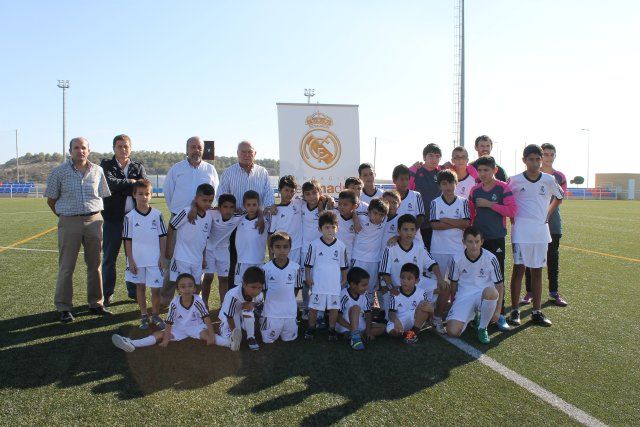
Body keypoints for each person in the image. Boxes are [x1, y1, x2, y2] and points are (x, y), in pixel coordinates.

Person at [45, 137, 112, 323]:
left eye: (83, 148)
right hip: (69, 222)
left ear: (88, 150)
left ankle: (96, 304)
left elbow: (103, 195)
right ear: (70, 150)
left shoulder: (98, 171)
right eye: (76, 148)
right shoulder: (59, 172)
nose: (80, 151)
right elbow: (51, 200)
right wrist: (65, 217)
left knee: (95, 265)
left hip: (94, 220)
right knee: (67, 266)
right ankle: (64, 307)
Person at [507, 144, 564, 327]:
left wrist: (547, 214)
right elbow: (506, 200)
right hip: (521, 233)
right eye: (530, 159)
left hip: (540, 233)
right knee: (518, 271)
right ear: (524, 160)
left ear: (541, 160)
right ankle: (515, 311)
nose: (534, 163)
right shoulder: (514, 180)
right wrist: (512, 217)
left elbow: (559, 197)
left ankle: (536, 312)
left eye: (538, 159)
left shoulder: (548, 179)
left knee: (537, 271)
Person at [161, 137, 219, 301]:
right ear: (187, 149)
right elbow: (168, 192)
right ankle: (166, 300)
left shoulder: (210, 170)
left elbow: (214, 194)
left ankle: (194, 298)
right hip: (179, 220)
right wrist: (183, 210)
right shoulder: (176, 169)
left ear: (203, 149)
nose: (196, 150)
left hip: (201, 220)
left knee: (197, 260)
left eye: (199, 147)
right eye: (192, 147)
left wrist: (198, 208)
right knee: (173, 260)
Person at [468, 155, 517, 331]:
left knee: (497, 276)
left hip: (496, 237)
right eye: (480, 170)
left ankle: (500, 313)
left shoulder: (503, 188)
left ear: (495, 170)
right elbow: (471, 214)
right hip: (478, 241)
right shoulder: (474, 190)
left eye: (486, 170)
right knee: (477, 275)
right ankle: (479, 313)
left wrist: (490, 204)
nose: (482, 173)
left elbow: (512, 210)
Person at [217, 141, 275, 288]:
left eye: (250, 152)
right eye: (243, 152)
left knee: (257, 258)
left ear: (255, 154)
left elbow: (268, 199)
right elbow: (221, 197)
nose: (246, 154)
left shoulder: (262, 172)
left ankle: (256, 297)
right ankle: (234, 295)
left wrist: (261, 216)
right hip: (236, 224)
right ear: (237, 153)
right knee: (234, 260)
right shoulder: (229, 172)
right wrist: (233, 210)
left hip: (258, 223)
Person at [111, 273, 215, 352]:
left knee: (208, 336)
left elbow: (206, 318)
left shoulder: (198, 300)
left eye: (190, 286)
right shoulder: (175, 302)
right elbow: (169, 322)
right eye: (183, 286)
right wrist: (166, 339)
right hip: (179, 328)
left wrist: (212, 335)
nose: (187, 289)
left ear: (195, 288)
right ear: (178, 290)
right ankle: (131, 343)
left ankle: (229, 342)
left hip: (196, 327)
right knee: (160, 334)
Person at [100, 134, 148, 304]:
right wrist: (131, 183)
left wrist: (126, 186)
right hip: (113, 219)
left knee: (133, 257)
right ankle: (106, 294)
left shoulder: (137, 166)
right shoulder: (106, 165)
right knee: (109, 258)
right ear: (114, 148)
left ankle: (133, 291)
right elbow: (110, 184)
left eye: (126, 146)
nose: (123, 149)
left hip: (133, 220)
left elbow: (142, 186)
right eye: (119, 146)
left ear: (131, 148)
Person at [379, 214, 447, 331]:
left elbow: (433, 264)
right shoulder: (390, 248)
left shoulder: (419, 246)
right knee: (392, 327)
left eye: (412, 230)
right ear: (399, 231)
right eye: (405, 229)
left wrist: (440, 279)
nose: (409, 233)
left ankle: (436, 318)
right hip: (399, 288)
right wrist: (391, 287)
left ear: (416, 232)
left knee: (445, 287)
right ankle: (417, 319)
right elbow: (384, 272)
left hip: (418, 285)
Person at [522, 143, 568, 307]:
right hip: (532, 225)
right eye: (546, 154)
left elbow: (560, 198)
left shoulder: (559, 177)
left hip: (552, 222)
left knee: (552, 257)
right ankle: (529, 291)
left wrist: (546, 215)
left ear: (554, 156)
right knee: (529, 257)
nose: (548, 157)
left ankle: (553, 292)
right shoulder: (530, 175)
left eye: (551, 154)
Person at [123, 179, 168, 330]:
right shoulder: (129, 217)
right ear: (134, 195)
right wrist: (131, 261)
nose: (143, 197)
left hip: (155, 260)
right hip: (137, 260)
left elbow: (163, 237)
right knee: (140, 288)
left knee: (155, 290)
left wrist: (162, 257)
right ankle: (143, 315)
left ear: (151, 195)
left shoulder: (157, 215)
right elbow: (127, 240)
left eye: (146, 194)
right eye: (140, 194)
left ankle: (155, 315)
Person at [446, 227, 503, 344]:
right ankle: (474, 316)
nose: (474, 245)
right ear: (464, 242)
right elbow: (453, 283)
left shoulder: (491, 258)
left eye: (477, 241)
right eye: (470, 242)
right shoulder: (457, 259)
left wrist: (498, 310)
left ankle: (482, 327)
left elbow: (499, 285)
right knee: (452, 332)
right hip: (464, 296)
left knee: (491, 292)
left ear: (482, 241)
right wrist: (453, 303)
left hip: (483, 295)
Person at [163, 183, 215, 304]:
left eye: (210, 201)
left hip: (197, 259)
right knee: (183, 288)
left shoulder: (209, 217)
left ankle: (194, 311)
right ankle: (180, 311)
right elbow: (171, 227)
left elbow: (204, 239)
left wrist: (203, 257)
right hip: (182, 258)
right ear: (196, 198)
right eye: (204, 200)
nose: (207, 203)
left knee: (197, 287)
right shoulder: (187, 212)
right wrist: (168, 249)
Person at [304, 211, 349, 340]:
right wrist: (308, 277)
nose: (330, 230)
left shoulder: (341, 246)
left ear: (337, 228)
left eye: (333, 227)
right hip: (318, 283)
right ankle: (311, 328)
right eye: (326, 227)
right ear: (320, 229)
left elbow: (344, 266)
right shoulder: (314, 244)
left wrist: (344, 279)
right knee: (313, 308)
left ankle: (332, 329)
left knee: (334, 309)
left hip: (334, 284)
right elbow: (308, 264)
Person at [201, 194, 243, 308]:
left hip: (224, 251)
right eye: (225, 207)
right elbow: (198, 207)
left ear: (235, 208)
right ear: (219, 207)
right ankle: (204, 303)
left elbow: (253, 211)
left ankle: (223, 306)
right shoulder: (211, 213)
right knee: (208, 277)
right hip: (209, 250)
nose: (228, 210)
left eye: (231, 207)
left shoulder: (238, 216)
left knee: (223, 279)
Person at [261, 232, 302, 344]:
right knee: (268, 340)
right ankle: (264, 320)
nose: (282, 250)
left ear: (290, 248)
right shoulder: (266, 269)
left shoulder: (296, 268)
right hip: (272, 314)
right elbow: (264, 291)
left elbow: (296, 289)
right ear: (271, 249)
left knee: (289, 339)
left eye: (285, 247)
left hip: (290, 313)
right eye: (278, 247)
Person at [429, 170, 471, 275]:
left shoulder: (463, 202)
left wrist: (446, 220)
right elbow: (435, 225)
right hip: (438, 249)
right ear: (439, 186)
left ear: (456, 184)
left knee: (457, 281)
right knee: (438, 283)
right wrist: (458, 223)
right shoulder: (435, 202)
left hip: (457, 248)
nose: (448, 186)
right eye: (444, 183)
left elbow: (466, 224)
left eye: (451, 183)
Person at [215, 266, 265, 351]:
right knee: (234, 339)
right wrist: (235, 334)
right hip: (230, 314)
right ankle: (221, 328)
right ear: (244, 284)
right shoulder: (233, 295)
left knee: (248, 311)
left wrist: (252, 304)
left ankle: (251, 337)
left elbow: (260, 307)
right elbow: (229, 316)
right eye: (253, 287)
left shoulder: (259, 294)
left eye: (259, 288)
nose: (256, 291)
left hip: (242, 312)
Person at [335, 267, 385, 350]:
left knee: (383, 327)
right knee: (356, 308)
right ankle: (355, 338)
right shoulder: (344, 294)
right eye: (364, 285)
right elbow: (338, 318)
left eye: (367, 284)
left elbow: (368, 314)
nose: (366, 287)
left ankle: (359, 334)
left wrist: (368, 331)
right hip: (346, 326)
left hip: (360, 326)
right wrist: (353, 329)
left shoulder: (364, 294)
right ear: (353, 284)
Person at [351, 198, 389, 303]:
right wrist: (355, 220)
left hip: (374, 260)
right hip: (358, 259)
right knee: (355, 286)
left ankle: (368, 310)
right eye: (375, 213)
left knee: (370, 288)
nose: (378, 217)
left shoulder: (385, 219)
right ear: (369, 212)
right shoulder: (361, 216)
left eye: (381, 215)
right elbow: (352, 210)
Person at [386, 263, 434, 344]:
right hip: (400, 319)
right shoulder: (395, 293)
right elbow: (391, 313)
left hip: (414, 319)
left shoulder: (421, 292)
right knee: (392, 332)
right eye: (402, 278)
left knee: (424, 305)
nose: (405, 281)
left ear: (417, 280)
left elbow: (429, 313)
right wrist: (396, 321)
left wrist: (432, 311)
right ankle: (406, 332)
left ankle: (412, 333)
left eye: (409, 279)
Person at [409, 143, 442, 250]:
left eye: (437, 156)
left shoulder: (441, 173)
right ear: (424, 157)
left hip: (435, 221)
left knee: (431, 252)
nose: (434, 159)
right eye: (431, 155)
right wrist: (412, 168)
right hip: (417, 220)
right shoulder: (416, 171)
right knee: (416, 251)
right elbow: (405, 187)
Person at [234, 190, 269, 287]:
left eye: (254, 205)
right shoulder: (239, 218)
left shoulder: (264, 221)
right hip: (242, 261)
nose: (251, 207)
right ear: (244, 205)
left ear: (259, 205)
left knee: (258, 290)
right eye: (248, 205)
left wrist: (261, 214)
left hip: (258, 261)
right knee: (240, 289)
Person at [268, 176, 303, 264]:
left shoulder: (299, 203)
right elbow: (270, 235)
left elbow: (317, 197)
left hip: (296, 248)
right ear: (279, 190)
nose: (289, 194)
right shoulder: (275, 210)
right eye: (286, 190)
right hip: (280, 250)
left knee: (294, 275)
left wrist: (329, 199)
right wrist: (271, 256)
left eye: (292, 191)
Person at [333, 189, 361, 262]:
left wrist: (355, 217)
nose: (341, 207)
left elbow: (358, 229)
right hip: (333, 255)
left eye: (345, 205)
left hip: (349, 256)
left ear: (354, 206)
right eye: (339, 204)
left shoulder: (358, 219)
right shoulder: (333, 215)